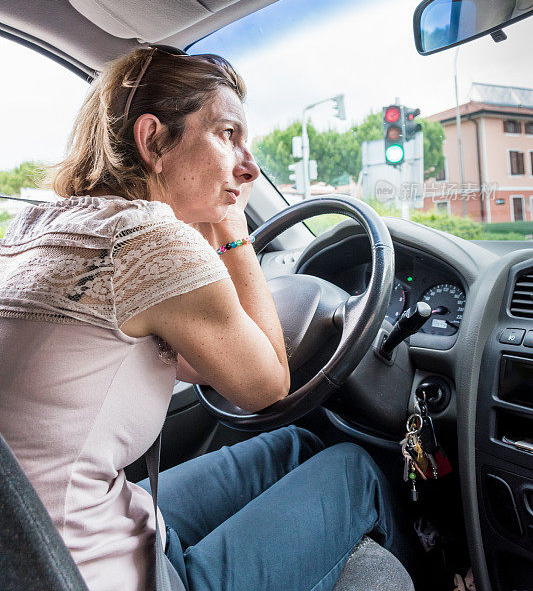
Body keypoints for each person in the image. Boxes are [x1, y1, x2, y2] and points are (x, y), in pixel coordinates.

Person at [0, 47, 412, 591]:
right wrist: (233, 229)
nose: (250, 165)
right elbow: (268, 385)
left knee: (295, 447)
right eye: (226, 134)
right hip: (91, 572)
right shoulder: (149, 240)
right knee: (357, 473)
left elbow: (194, 359)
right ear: (153, 141)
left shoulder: (36, 228)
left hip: (43, 548)